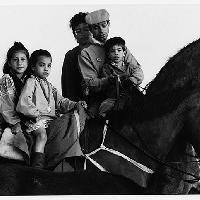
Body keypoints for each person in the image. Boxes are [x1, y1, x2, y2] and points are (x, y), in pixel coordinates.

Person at [16, 49, 87, 169]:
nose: (46, 69)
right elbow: (23, 102)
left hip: (49, 120)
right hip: (35, 119)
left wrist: (76, 104)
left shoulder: (49, 85)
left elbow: (61, 101)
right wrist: (36, 114)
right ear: (33, 67)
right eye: (42, 65)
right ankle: (36, 168)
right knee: (42, 136)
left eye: (49, 65)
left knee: (70, 124)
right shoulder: (31, 81)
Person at [78, 9, 144, 118]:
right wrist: (108, 80)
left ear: (109, 24)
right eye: (96, 28)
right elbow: (90, 82)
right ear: (90, 29)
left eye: (104, 25)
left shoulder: (119, 46)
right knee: (94, 119)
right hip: (101, 97)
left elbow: (136, 68)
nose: (101, 30)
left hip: (127, 91)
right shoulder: (86, 53)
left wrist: (133, 80)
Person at [0, 42, 32, 164]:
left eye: (23, 59)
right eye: (15, 60)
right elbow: (6, 107)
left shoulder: (31, 79)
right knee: (8, 143)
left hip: (26, 119)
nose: (19, 63)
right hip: (9, 120)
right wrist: (16, 123)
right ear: (9, 63)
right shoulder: (6, 79)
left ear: (28, 62)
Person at [99, 37, 144, 117]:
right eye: (112, 51)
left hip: (132, 94)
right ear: (108, 55)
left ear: (124, 53)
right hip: (115, 97)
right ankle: (106, 127)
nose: (116, 53)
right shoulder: (106, 68)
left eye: (119, 50)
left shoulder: (130, 66)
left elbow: (139, 73)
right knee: (104, 106)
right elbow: (107, 80)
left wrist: (133, 79)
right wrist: (113, 79)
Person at [61, 12, 92, 101]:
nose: (83, 34)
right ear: (74, 35)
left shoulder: (103, 50)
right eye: (78, 31)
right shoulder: (71, 56)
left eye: (86, 29)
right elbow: (68, 88)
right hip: (80, 104)